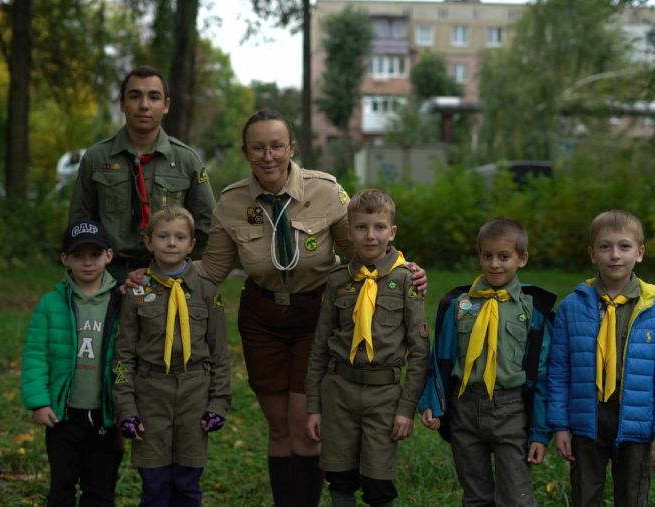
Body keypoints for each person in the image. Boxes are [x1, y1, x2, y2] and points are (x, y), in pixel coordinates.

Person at [191, 109, 426, 507]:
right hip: (262, 319)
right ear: (246, 152)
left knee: (304, 427)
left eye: (277, 145)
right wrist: (157, 276)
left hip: (315, 316)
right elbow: (212, 269)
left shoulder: (327, 192)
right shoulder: (231, 202)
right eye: (258, 147)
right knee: (279, 429)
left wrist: (404, 268)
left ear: (292, 147)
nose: (268, 155)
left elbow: (362, 248)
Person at [548, 210, 655, 507]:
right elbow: (558, 371)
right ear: (592, 253)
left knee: (633, 496)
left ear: (640, 253)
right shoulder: (572, 307)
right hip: (587, 416)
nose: (615, 255)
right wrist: (559, 425)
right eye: (605, 246)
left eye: (624, 246)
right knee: (584, 494)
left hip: (637, 418)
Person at [304, 189, 429, 507]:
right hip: (339, 393)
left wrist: (406, 409)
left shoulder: (406, 281)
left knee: (378, 483)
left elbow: (419, 350)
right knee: (340, 479)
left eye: (379, 227)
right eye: (361, 227)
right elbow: (320, 345)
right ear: (349, 232)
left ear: (392, 232)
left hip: (384, 397)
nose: (370, 236)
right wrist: (314, 406)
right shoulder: (337, 281)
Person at [418, 218, 555, 507]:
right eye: (487, 256)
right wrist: (432, 401)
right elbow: (440, 358)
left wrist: (541, 432)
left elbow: (543, 374)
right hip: (465, 406)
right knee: (475, 495)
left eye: (504, 257)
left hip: (511, 409)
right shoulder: (459, 305)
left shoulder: (533, 311)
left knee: (515, 496)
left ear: (522, 258)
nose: (494, 264)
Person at [113, 204, 231, 507]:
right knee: (154, 484)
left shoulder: (207, 291)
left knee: (188, 483)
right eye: (163, 236)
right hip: (150, 393)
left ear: (191, 244)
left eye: (180, 237)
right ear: (148, 242)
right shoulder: (137, 291)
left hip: (195, 392)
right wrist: (126, 407)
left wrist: (218, 402)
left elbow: (220, 353)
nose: (171, 243)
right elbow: (123, 357)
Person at [69, 65, 215, 283]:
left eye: (154, 97)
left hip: (169, 277)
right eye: (135, 96)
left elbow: (207, 227)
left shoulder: (187, 160)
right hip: (107, 277)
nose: (144, 105)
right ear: (122, 103)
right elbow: (79, 223)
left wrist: (181, 269)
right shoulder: (96, 159)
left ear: (166, 105)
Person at [21, 219, 121, 506]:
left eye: (95, 255)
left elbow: (128, 359)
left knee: (100, 489)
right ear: (65, 259)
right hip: (63, 415)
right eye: (78, 256)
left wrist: (123, 404)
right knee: (61, 487)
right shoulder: (51, 304)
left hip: (104, 414)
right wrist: (39, 402)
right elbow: (35, 355)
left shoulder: (120, 301)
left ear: (109, 256)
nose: (87, 263)